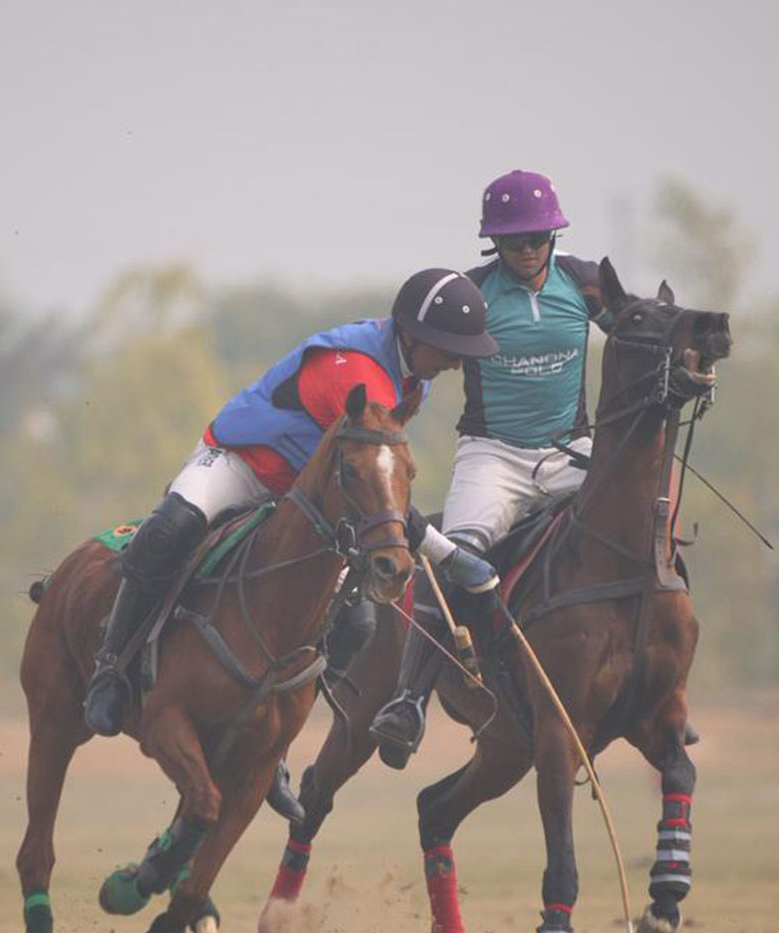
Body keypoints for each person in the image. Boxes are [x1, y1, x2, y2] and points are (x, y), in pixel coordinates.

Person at [81, 268, 503, 743]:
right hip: (243, 463)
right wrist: (449, 555)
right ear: (412, 333)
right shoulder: (358, 373)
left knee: (355, 623)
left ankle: (271, 739)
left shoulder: (412, 377)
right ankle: (111, 670)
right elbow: (377, 487)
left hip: (304, 497)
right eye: (448, 351)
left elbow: (373, 486)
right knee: (169, 531)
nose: (452, 363)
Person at [370, 170, 615, 765]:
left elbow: (634, 331)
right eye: (513, 240)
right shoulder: (475, 294)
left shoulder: (584, 285)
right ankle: (408, 701)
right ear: (494, 244)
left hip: (568, 450)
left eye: (535, 237)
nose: (526, 250)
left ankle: (652, 681)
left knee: (630, 529)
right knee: (455, 555)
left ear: (553, 234)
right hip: (493, 454)